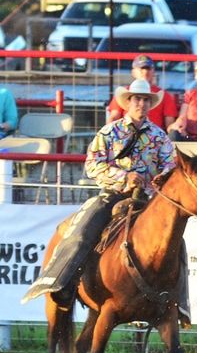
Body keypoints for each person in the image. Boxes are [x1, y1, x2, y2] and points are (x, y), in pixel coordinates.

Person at [23, 79, 180, 312]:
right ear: (128, 102)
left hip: (148, 201)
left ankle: (177, 302)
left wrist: (158, 179)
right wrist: (124, 178)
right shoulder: (109, 132)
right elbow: (93, 165)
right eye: (137, 99)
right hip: (113, 195)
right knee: (83, 228)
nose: (142, 103)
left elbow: (170, 167)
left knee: (177, 243)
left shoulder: (160, 137)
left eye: (146, 99)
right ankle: (63, 281)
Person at [107, 55, 179, 131]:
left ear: (153, 71)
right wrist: (110, 133)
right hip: (125, 133)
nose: (145, 72)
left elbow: (170, 125)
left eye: (148, 68)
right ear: (133, 72)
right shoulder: (125, 93)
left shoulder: (165, 96)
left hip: (153, 137)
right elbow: (114, 117)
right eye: (141, 68)